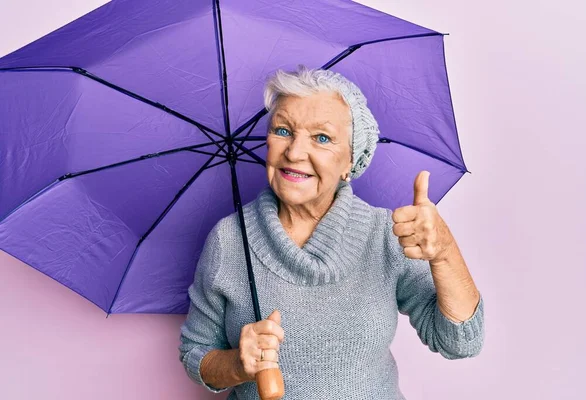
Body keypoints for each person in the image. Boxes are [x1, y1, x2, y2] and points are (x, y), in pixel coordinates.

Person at [179, 66, 485, 400]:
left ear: (351, 161)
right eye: (282, 130)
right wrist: (237, 364)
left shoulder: (385, 234)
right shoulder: (229, 240)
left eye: (321, 138)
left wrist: (444, 252)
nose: (294, 153)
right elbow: (197, 353)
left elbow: (460, 342)